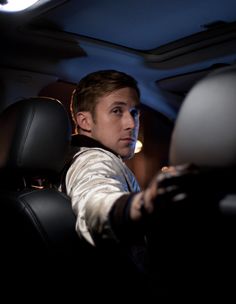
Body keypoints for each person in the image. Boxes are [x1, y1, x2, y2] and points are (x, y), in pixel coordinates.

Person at [61, 69, 196, 299]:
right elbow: (94, 201)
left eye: (134, 112)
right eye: (117, 111)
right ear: (85, 121)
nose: (131, 123)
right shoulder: (93, 160)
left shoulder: (73, 157)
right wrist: (142, 204)